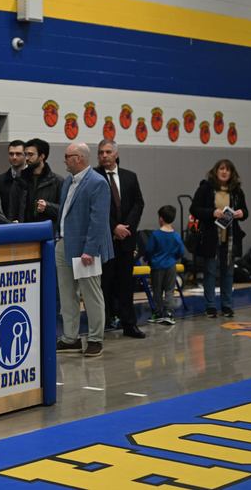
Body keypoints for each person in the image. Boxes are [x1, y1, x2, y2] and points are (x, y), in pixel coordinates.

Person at [55, 143, 113, 357]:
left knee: (91, 294)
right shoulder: (68, 181)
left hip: (85, 248)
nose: (64, 160)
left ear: (78, 158)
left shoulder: (98, 183)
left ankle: (96, 338)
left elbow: (99, 220)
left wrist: (90, 249)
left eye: (67, 156)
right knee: (67, 294)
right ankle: (70, 338)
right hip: (64, 243)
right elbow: (65, 213)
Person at [95, 139, 146, 338]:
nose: (104, 156)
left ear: (116, 154)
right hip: (104, 240)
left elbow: (138, 204)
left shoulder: (129, 177)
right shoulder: (93, 177)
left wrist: (126, 228)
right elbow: (95, 208)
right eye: (101, 152)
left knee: (126, 284)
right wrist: (113, 227)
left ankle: (129, 324)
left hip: (126, 239)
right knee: (104, 284)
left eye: (108, 152)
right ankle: (103, 323)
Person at [190, 159, 249, 318]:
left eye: (228, 170)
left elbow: (245, 211)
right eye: (221, 169)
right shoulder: (206, 188)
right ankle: (210, 306)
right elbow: (194, 209)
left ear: (232, 173)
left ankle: (227, 305)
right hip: (210, 237)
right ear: (216, 171)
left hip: (230, 238)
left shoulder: (236, 191)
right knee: (210, 272)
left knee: (228, 273)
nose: (224, 172)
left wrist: (241, 213)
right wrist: (212, 213)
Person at [8, 138, 62, 231]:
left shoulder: (57, 181)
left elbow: (64, 210)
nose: (27, 158)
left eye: (31, 154)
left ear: (42, 156)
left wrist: (48, 207)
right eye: (26, 154)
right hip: (23, 231)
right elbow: (12, 211)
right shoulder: (19, 180)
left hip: (46, 232)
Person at [144, 205, 185, 325]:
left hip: (157, 266)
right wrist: (173, 258)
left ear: (161, 219)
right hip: (171, 266)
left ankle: (158, 313)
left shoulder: (156, 235)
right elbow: (181, 251)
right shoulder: (176, 236)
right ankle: (169, 313)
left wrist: (147, 259)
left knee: (157, 291)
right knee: (169, 290)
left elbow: (149, 250)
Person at [0, 139, 26, 217]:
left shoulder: (32, 178)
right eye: (11, 154)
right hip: (7, 222)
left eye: (18, 154)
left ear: (26, 155)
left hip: (28, 223)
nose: (14, 157)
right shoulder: (1, 180)